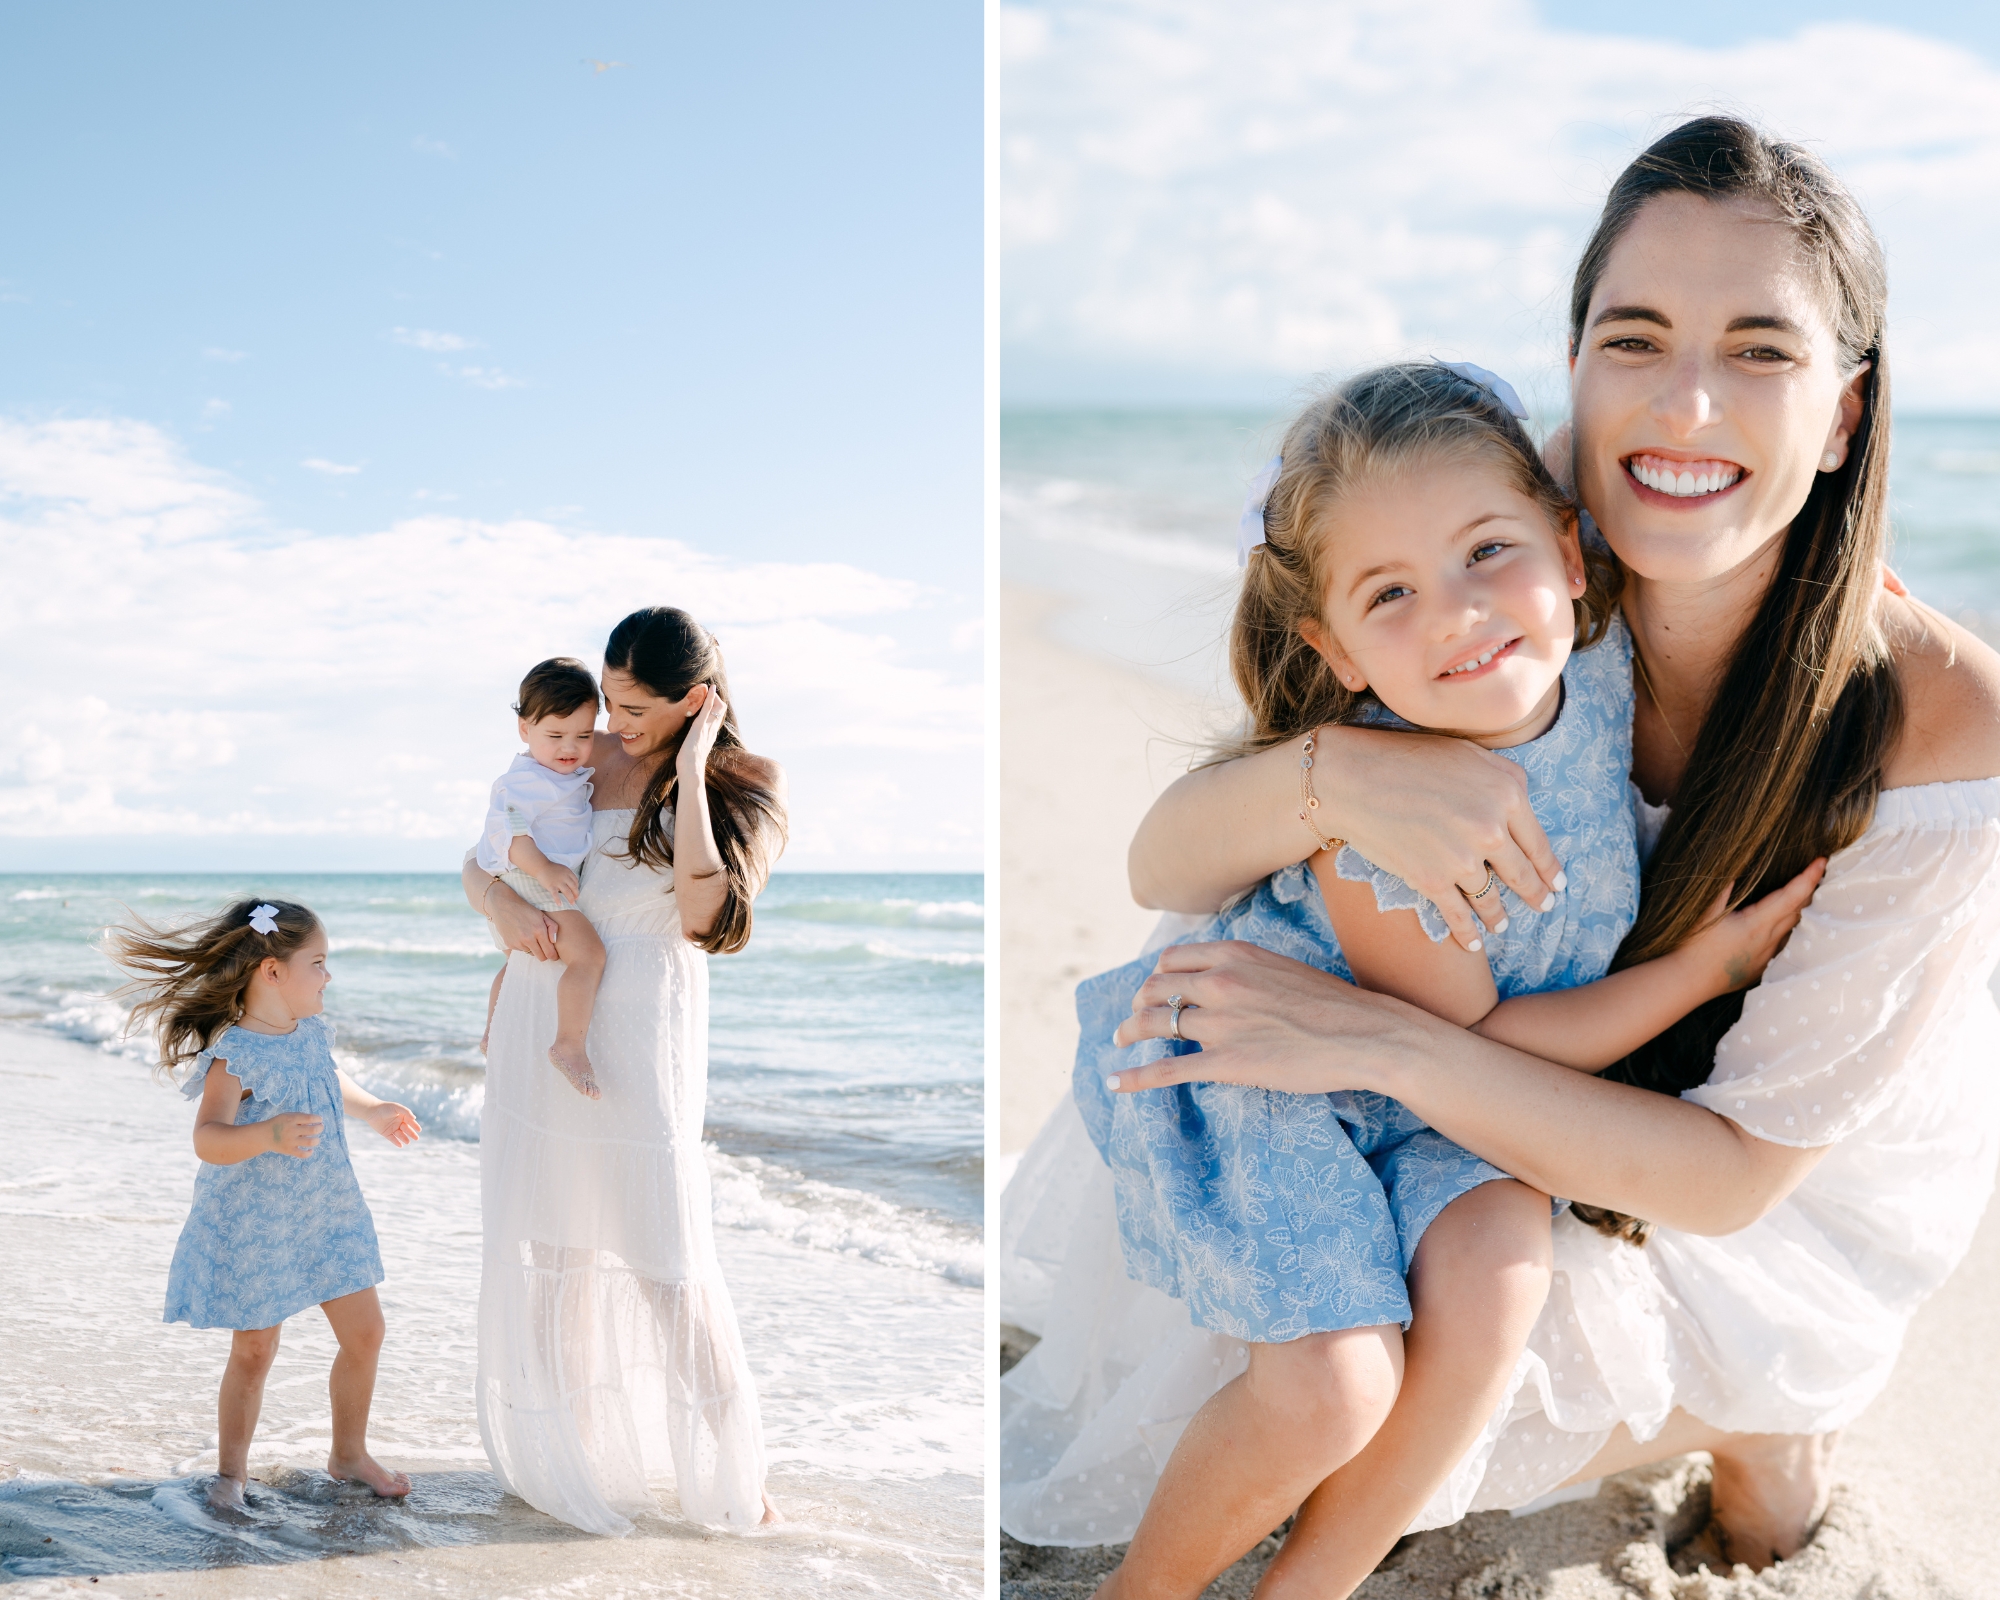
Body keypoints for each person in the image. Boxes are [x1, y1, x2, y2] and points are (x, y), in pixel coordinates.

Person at [1074, 116, 2000, 1587]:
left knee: (1651, 1349)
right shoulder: (1518, 530)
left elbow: (1730, 1177)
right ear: (1575, 366)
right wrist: (1341, 775)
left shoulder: (1943, 718)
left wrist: (1381, 1041)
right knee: (1314, 1341)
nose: (1686, 407)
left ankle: (1776, 1430)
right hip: (1506, 1058)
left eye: (1763, 351)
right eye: (1635, 338)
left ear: (1846, 414)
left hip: (1748, 1136)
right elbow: (1162, 864)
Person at [1067, 360, 1821, 1597]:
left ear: (1574, 556)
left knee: (1498, 1281)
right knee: (1331, 1387)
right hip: (1283, 1077)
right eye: (1391, 593)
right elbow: (1486, 1043)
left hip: (1433, 1087)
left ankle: (1307, 1583)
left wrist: (1842, 598)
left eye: (1486, 552)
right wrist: (1703, 969)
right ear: (1336, 647)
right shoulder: (1387, 825)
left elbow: (1729, 561)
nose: (1460, 615)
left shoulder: (1605, 669)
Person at [462, 605, 788, 1535]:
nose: (614, 721)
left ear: (697, 701)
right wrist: (496, 909)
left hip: (644, 1021)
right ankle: (567, 1455)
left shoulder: (743, 782)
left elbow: (702, 920)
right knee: (555, 1245)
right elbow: (480, 855)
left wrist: (686, 775)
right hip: (543, 1001)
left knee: (661, 1246)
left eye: (637, 706)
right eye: (608, 698)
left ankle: (729, 1464)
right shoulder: (578, 754)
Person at [109, 896, 423, 1511]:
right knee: (254, 1350)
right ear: (273, 972)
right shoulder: (236, 1053)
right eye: (319, 961)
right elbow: (208, 1138)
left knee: (367, 1333)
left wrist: (375, 1110)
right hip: (257, 1223)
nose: (328, 975)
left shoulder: (312, 1032)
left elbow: (332, 1082)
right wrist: (269, 1134)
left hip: (328, 1210)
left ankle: (348, 1453)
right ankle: (231, 1471)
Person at [476, 656, 606, 1098]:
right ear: (524, 729)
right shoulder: (528, 780)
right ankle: (569, 1043)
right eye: (555, 735)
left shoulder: (554, 774)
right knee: (587, 955)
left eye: (583, 735)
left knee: (515, 963)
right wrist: (545, 869)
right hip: (531, 880)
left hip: (529, 881)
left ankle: (493, 1030)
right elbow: (509, 836)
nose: (569, 747)